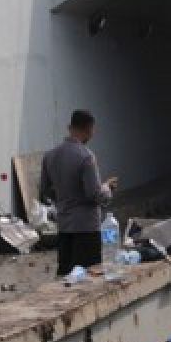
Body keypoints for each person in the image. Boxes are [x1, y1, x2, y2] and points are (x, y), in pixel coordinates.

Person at [39, 110, 118, 276]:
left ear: (69, 127)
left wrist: (64, 198)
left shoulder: (50, 156)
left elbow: (45, 191)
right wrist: (108, 188)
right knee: (89, 278)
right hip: (86, 229)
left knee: (65, 276)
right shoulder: (86, 156)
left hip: (64, 227)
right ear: (90, 129)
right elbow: (95, 194)